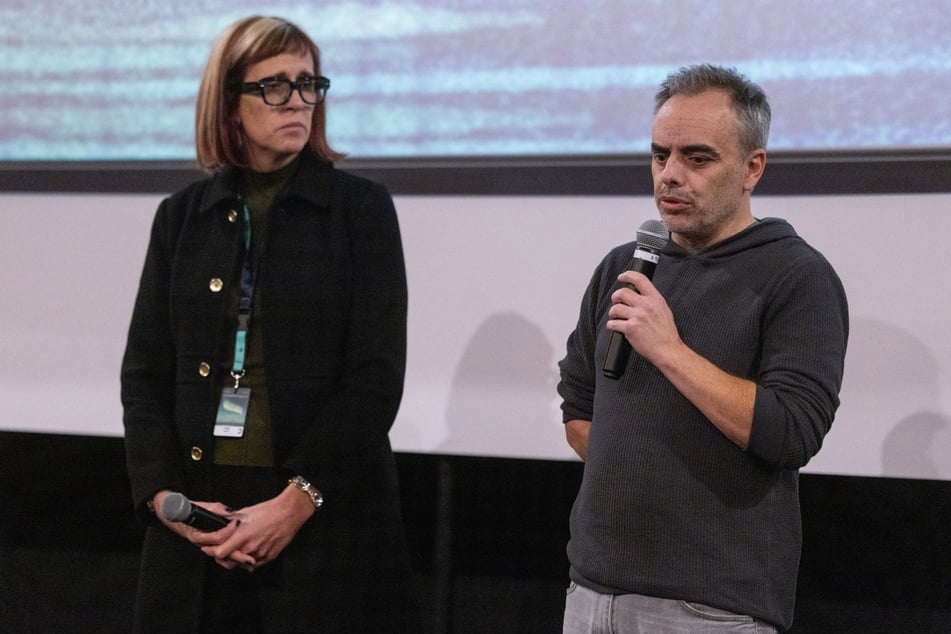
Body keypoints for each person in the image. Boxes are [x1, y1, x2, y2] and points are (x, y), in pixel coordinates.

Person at [121, 16, 421, 632]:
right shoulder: (181, 218)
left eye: (309, 83)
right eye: (275, 86)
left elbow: (375, 377)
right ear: (229, 103)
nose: (299, 102)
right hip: (199, 524)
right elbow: (144, 374)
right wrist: (163, 500)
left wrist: (295, 502)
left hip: (321, 521)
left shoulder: (359, 210)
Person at [558, 64, 849, 632]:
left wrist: (669, 349)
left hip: (710, 608)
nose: (669, 175)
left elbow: (792, 431)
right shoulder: (625, 266)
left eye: (697, 158)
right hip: (591, 593)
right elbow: (578, 410)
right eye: (659, 155)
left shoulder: (796, 275)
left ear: (752, 168)